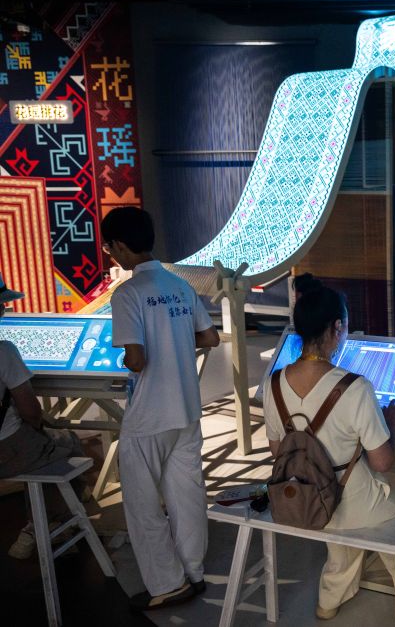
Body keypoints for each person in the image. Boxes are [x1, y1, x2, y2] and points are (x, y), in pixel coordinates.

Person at [262, 283, 395, 623]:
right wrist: (391, 426)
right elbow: (383, 462)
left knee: (341, 535)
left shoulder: (273, 383)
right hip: (355, 503)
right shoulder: (356, 387)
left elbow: (278, 451)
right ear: (337, 327)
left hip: (308, 499)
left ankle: (329, 601)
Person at [101, 207, 220, 611]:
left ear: (120, 246)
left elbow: (136, 360)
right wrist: (175, 341)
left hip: (149, 417)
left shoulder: (128, 294)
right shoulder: (180, 286)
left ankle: (168, 583)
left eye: (109, 248)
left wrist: (127, 358)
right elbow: (210, 337)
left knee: (142, 504)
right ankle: (193, 572)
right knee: (187, 495)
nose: (111, 254)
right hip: (186, 410)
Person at [0, 275, 86, 559]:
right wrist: (39, 427)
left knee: (42, 450)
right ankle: (44, 527)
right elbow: (30, 411)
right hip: (8, 448)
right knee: (67, 444)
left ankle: (42, 524)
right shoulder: (5, 351)